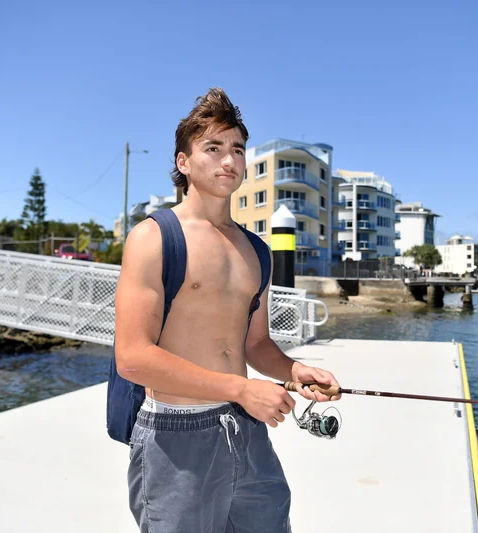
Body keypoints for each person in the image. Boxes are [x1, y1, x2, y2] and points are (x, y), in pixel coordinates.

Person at [113, 87, 341, 533]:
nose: (229, 160)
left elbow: (254, 342)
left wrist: (295, 371)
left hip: (246, 430)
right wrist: (240, 389)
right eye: (212, 148)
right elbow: (133, 357)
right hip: (176, 436)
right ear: (183, 162)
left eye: (236, 149)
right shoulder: (153, 237)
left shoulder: (256, 250)